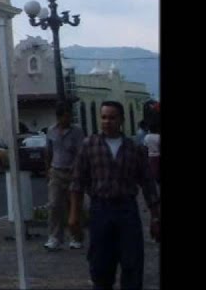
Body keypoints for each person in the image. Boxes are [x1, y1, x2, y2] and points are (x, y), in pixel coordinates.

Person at [69, 101, 160, 290]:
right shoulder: (89, 145)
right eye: (103, 117)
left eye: (112, 117)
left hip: (127, 211)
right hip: (100, 210)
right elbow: (77, 182)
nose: (107, 121)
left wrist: (155, 217)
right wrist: (74, 215)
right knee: (100, 266)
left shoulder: (134, 148)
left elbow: (148, 184)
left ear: (121, 120)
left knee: (132, 263)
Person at [44, 101, 86, 251]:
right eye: (65, 117)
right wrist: (47, 170)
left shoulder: (77, 132)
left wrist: (78, 171)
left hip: (72, 172)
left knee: (74, 206)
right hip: (56, 171)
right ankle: (54, 237)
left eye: (69, 116)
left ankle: (76, 237)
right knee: (54, 205)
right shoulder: (51, 131)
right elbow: (48, 151)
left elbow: (81, 153)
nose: (68, 120)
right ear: (59, 117)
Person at [144, 122, 160, 189]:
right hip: (158, 155)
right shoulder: (158, 136)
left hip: (150, 156)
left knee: (152, 173)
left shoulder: (147, 137)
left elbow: (145, 147)